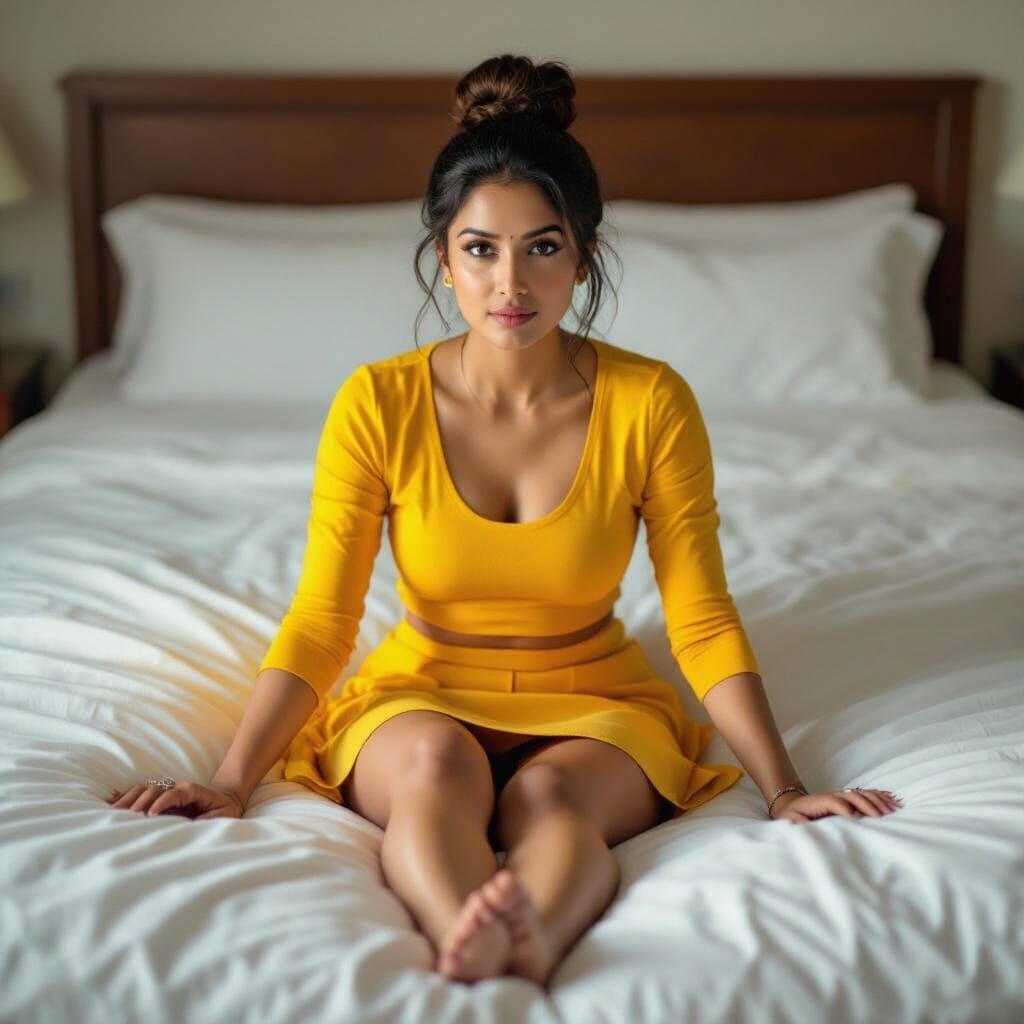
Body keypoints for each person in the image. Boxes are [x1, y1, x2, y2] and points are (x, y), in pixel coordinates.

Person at [106, 53, 903, 988]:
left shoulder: (652, 402)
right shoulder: (377, 402)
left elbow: (700, 616)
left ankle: (535, 934)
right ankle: (468, 933)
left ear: (586, 253)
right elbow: (324, 618)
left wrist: (786, 790)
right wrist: (234, 779)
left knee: (554, 798)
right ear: (443, 258)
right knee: (438, 772)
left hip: (596, 694)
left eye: (544, 245)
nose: (510, 282)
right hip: (423, 686)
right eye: (481, 248)